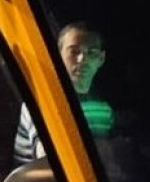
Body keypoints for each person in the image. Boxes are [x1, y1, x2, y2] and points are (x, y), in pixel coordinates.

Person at [13, 22, 106, 166]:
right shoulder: (42, 101)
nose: (82, 59)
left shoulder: (103, 109)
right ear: (57, 55)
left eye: (92, 53)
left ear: (101, 59)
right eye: (74, 51)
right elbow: (50, 161)